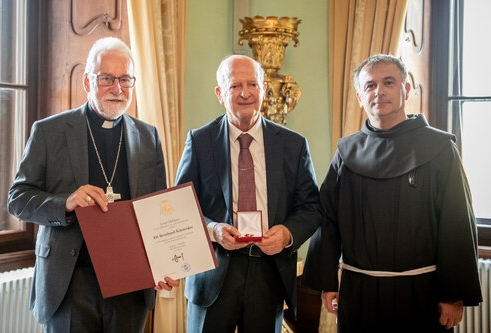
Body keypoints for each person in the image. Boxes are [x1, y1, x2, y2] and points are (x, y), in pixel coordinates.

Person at [7, 37, 178, 332]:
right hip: (71, 281)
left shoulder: (149, 137)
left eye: (125, 79)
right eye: (107, 78)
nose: (117, 88)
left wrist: (164, 263)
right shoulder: (49, 131)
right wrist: (66, 203)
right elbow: (18, 199)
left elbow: (157, 211)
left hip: (130, 284)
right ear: (87, 82)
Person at [303, 54, 482, 332]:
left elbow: (456, 222)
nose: (379, 91)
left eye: (388, 82)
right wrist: (327, 283)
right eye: (370, 85)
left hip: (422, 293)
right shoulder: (347, 152)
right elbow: (328, 220)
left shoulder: (439, 149)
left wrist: (453, 294)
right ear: (360, 96)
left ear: (406, 89)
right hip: (357, 291)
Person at [175, 54, 320, 333]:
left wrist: (287, 234)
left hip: (269, 274)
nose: (245, 93)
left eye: (253, 85)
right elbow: (182, 205)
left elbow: (312, 206)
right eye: (234, 86)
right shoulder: (200, 141)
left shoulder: (293, 145)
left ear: (263, 90)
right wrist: (213, 229)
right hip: (213, 273)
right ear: (220, 93)